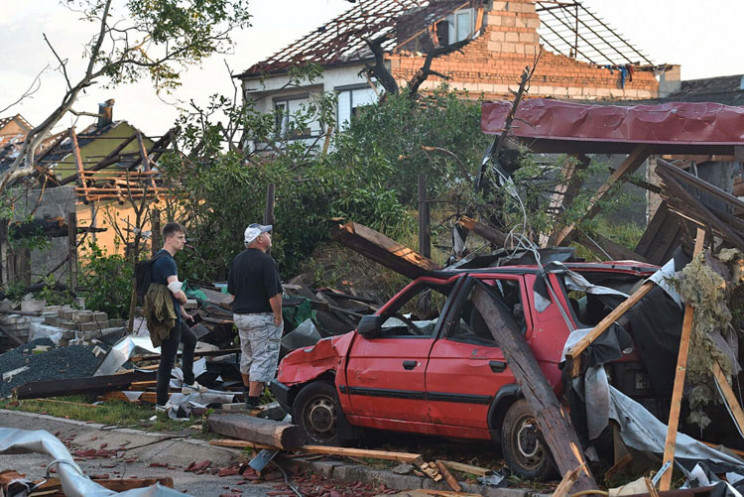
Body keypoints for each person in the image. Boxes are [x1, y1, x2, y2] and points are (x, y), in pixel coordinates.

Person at [227, 223, 283, 409]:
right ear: (259, 239)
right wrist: (278, 316)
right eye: (266, 233)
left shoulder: (237, 260)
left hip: (241, 316)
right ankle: (253, 402)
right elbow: (274, 294)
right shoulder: (266, 262)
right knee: (262, 357)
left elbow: (232, 295)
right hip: (261, 318)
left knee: (248, 355)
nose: (269, 236)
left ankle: (246, 391)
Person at [152, 222, 206, 412]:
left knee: (190, 340)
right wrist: (185, 299)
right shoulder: (167, 261)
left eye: (184, 237)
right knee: (168, 359)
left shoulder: (158, 259)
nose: (184, 241)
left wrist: (183, 313)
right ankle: (161, 403)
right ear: (169, 239)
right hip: (168, 318)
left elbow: (164, 292)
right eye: (180, 238)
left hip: (173, 314)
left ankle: (189, 382)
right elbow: (175, 291)